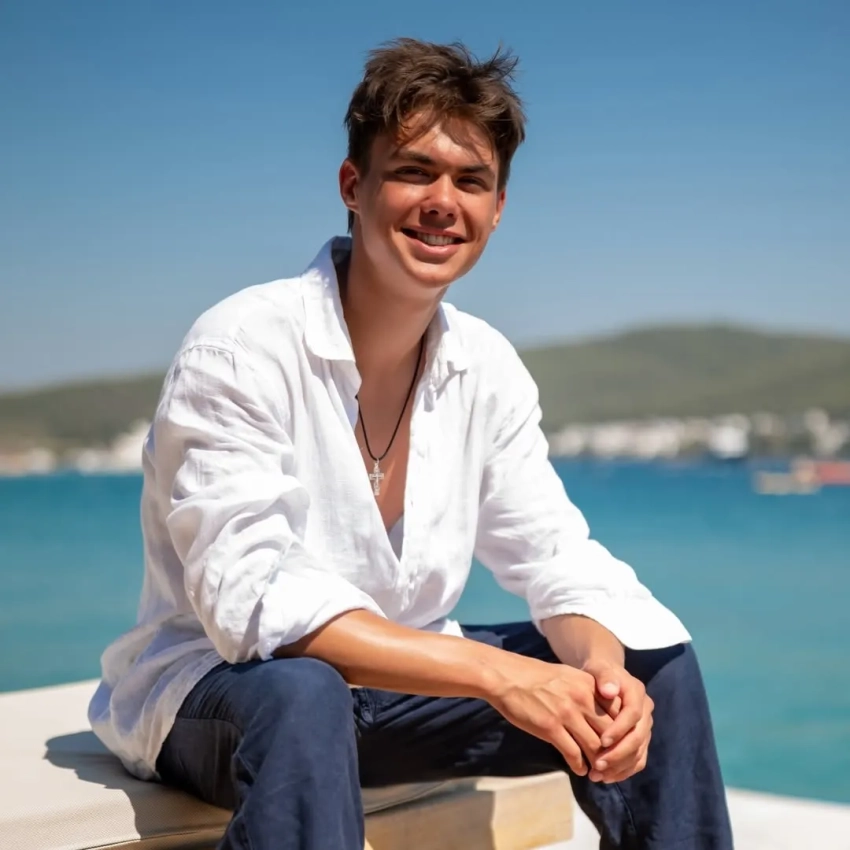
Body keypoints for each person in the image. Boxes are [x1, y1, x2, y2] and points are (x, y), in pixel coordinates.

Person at [89, 38, 733, 850]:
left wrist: (603, 672)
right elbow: (254, 606)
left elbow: (554, 556)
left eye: (470, 181)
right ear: (352, 186)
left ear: (498, 208)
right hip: (221, 694)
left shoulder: (485, 366)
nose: (442, 202)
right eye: (413, 172)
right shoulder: (240, 347)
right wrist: (502, 675)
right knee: (305, 691)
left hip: (395, 696)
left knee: (648, 664)